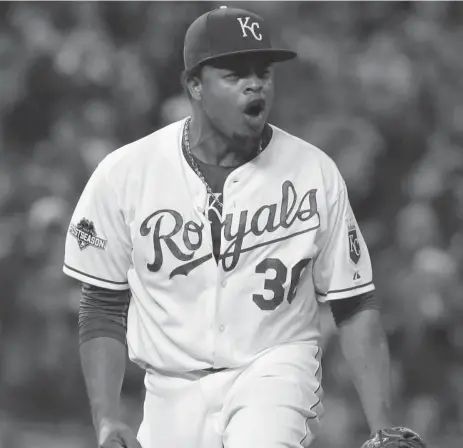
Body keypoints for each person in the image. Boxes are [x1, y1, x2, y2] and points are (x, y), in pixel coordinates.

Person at [63, 6, 425, 448]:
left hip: (274, 369)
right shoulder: (126, 174)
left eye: (263, 72)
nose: (255, 84)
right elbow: (102, 304)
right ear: (194, 85)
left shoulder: (313, 172)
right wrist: (106, 419)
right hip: (170, 389)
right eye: (235, 74)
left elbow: (353, 302)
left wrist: (382, 427)